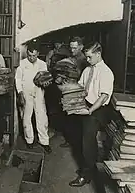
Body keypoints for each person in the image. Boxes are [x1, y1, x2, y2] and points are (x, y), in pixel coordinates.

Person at [69, 42, 113, 191]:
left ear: (98, 54)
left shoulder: (106, 72)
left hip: (97, 109)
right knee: (81, 140)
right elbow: (80, 86)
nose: (87, 60)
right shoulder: (88, 70)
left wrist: (90, 111)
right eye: (86, 56)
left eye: (89, 57)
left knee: (87, 144)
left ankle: (86, 175)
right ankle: (87, 167)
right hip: (85, 106)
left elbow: (103, 96)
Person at [15, 42, 52, 154]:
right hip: (26, 93)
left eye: (34, 55)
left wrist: (46, 83)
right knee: (26, 118)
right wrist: (20, 93)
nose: (31, 58)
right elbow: (18, 79)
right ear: (27, 53)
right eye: (29, 55)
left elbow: (46, 78)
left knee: (42, 118)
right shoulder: (22, 64)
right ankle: (29, 140)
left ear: (38, 54)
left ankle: (44, 142)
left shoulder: (42, 64)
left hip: (39, 93)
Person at [60, 36, 88, 148]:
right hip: (69, 91)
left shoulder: (85, 60)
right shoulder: (70, 58)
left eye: (75, 48)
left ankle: (76, 143)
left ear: (81, 47)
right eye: (71, 48)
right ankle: (70, 140)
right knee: (69, 118)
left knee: (77, 119)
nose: (72, 50)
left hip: (79, 92)